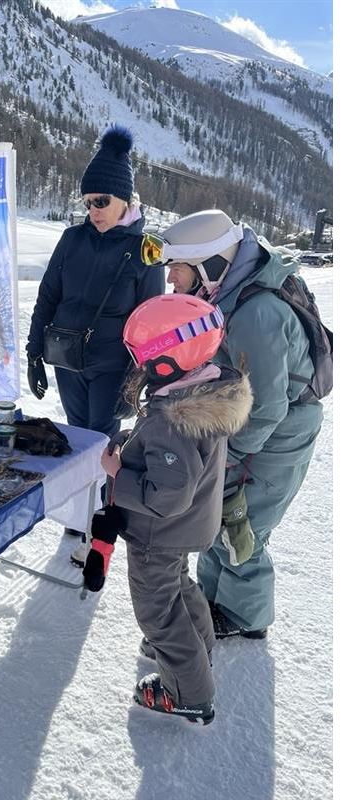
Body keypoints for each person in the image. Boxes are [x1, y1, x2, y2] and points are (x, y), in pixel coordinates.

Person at [152, 209, 324, 639]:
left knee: (243, 524)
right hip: (250, 423)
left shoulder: (256, 313)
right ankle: (217, 598)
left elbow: (266, 405)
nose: (171, 278)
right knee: (219, 514)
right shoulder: (230, 294)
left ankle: (247, 617)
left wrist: (231, 456)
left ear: (209, 264)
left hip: (278, 432)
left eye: (177, 268)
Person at [82, 293, 253, 725]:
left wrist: (117, 474)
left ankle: (188, 694)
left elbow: (167, 495)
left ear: (166, 361)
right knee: (177, 586)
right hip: (185, 527)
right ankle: (195, 649)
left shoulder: (169, 420)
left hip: (157, 534)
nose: (138, 367)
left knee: (157, 611)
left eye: (142, 358)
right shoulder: (203, 391)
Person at [26, 125, 164, 535]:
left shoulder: (145, 251)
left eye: (101, 201)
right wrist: (34, 353)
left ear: (125, 199)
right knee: (75, 435)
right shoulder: (72, 239)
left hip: (111, 367)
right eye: (88, 203)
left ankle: (97, 512)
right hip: (67, 359)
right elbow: (48, 296)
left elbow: (150, 323)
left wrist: (138, 381)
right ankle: (80, 510)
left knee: (101, 442)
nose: (94, 211)